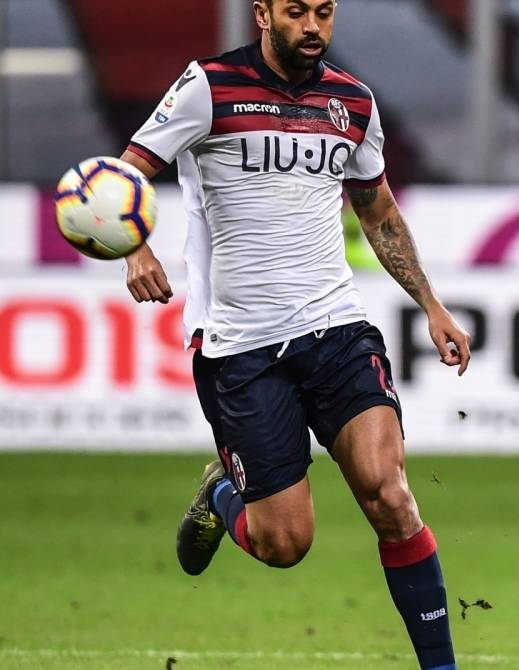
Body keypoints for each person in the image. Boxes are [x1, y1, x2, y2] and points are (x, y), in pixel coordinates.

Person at [119, 1, 469, 667]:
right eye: (297, 11)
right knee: (286, 544)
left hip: (335, 329)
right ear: (263, 14)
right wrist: (135, 248)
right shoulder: (207, 87)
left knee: (391, 495)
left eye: (324, 12)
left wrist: (431, 302)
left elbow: (379, 211)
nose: (313, 26)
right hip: (241, 347)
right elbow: (126, 173)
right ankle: (223, 494)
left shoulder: (352, 103)